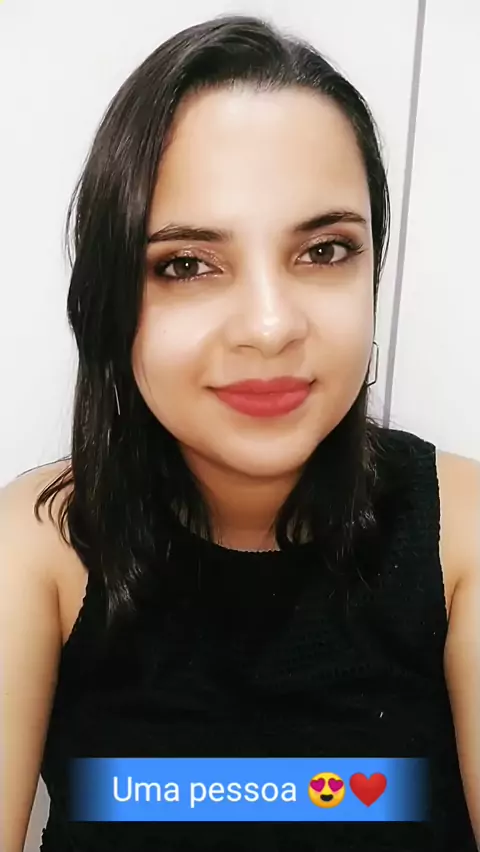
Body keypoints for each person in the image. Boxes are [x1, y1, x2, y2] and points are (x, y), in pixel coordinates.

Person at [1, 13, 479, 852]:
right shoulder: (38, 549)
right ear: (112, 303)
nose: (269, 326)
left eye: (324, 251)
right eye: (186, 264)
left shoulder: (461, 537)